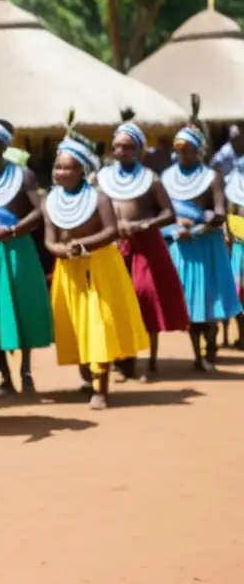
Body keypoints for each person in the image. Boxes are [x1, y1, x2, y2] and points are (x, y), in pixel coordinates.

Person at [43, 123, 149, 410]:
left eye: (68, 168)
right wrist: (62, 250)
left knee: (98, 325)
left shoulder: (98, 198)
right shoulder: (50, 202)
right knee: (76, 327)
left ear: (82, 171)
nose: (61, 173)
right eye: (58, 167)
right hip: (69, 272)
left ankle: (101, 388)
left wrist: (84, 244)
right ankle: (88, 380)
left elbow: (112, 231)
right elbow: (50, 240)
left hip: (100, 268)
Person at [96, 114, 188, 381]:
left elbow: (168, 214)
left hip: (146, 248)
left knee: (145, 300)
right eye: (117, 147)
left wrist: (144, 224)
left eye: (127, 147)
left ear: (138, 149)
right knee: (117, 302)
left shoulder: (151, 179)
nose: (121, 151)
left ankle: (150, 362)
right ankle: (123, 361)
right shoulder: (102, 178)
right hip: (113, 247)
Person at [0, 119, 53, 397]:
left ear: (5, 144)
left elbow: (40, 210)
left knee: (22, 308)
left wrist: (15, 228)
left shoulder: (23, 175)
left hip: (19, 249)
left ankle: (26, 372)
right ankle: (5, 376)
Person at [160, 96, 242, 371]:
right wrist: (173, 230)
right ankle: (197, 354)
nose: (183, 154)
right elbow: (160, 214)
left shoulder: (211, 177)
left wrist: (196, 228)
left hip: (207, 246)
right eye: (179, 149)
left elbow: (219, 213)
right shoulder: (167, 178)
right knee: (190, 307)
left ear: (199, 151)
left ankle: (210, 350)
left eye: (188, 150)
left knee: (210, 305)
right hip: (181, 247)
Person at [224, 160, 244, 349]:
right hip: (238, 253)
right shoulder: (234, 201)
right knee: (239, 297)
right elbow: (227, 228)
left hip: (238, 252)